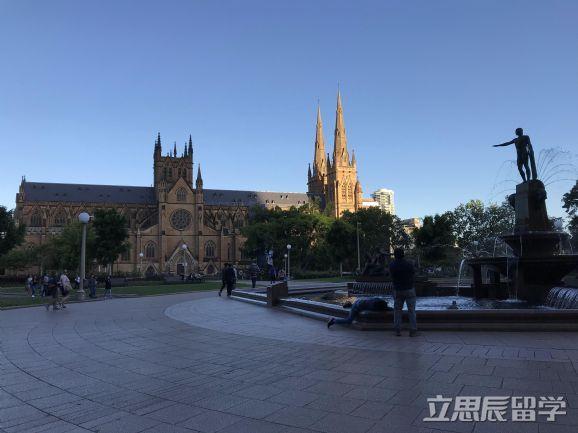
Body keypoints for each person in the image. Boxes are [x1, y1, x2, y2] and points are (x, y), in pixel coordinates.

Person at [389, 248, 418, 337]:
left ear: (395, 255)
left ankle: (397, 330)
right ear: (403, 254)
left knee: (397, 311)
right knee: (411, 310)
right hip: (409, 289)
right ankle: (413, 330)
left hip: (397, 290)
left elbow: (391, 276)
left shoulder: (392, 265)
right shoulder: (409, 264)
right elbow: (414, 273)